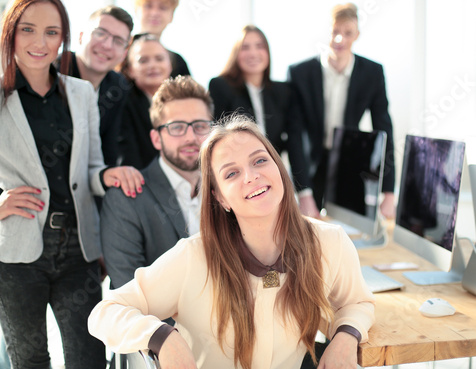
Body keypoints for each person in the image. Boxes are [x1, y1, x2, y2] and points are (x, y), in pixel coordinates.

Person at [88, 117, 375, 369]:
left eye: (260, 160)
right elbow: (105, 311)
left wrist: (346, 336)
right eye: (231, 173)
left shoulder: (329, 242)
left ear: (278, 167)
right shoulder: (193, 257)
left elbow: (357, 302)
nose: (252, 176)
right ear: (220, 198)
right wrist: (163, 337)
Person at [0, 0, 144, 367]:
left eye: (51, 32)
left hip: (77, 251)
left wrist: (106, 176)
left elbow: (93, 167)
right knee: (29, 360)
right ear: (10, 34)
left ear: (63, 39)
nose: (40, 41)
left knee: (87, 359)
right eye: (28, 29)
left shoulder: (81, 92)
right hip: (16, 253)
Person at [102, 75, 213, 290]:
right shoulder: (125, 200)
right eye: (177, 127)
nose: (190, 137)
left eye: (200, 126)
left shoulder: (230, 190)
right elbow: (129, 292)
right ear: (156, 138)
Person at [287, 2, 396, 219]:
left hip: (351, 163)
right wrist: (304, 192)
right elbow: (295, 135)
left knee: (349, 230)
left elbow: (384, 129)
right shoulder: (300, 73)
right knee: (308, 229)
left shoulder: (372, 73)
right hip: (311, 165)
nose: (340, 40)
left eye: (348, 33)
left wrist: (389, 191)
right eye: (335, 32)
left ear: (357, 35)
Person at [58, 5, 133, 167]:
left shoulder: (118, 86)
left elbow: (109, 149)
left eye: (118, 41)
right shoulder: (53, 71)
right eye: (100, 33)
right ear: (80, 36)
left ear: (124, 54)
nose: (107, 45)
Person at [209, 25, 291, 155]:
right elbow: (218, 135)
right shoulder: (221, 86)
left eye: (259, 46)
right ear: (236, 53)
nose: (253, 53)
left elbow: (292, 139)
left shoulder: (282, 91)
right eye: (245, 47)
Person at [117, 33, 173, 169]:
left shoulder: (185, 101)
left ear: (170, 65)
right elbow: (129, 157)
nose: (152, 65)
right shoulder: (123, 104)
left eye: (159, 59)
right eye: (143, 60)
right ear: (130, 70)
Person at [134, 0, 190, 77]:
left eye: (163, 8)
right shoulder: (119, 52)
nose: (154, 13)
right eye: (148, 6)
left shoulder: (178, 63)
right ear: (136, 10)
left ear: (172, 16)